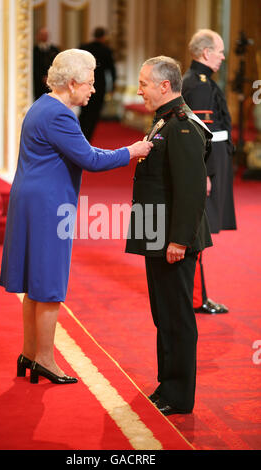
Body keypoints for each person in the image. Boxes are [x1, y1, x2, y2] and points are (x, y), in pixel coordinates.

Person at [0, 49, 152, 385]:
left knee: (33, 284)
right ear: (71, 83)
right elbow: (91, 159)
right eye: (89, 82)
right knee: (50, 284)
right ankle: (44, 359)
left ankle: (29, 353)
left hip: (30, 199)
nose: (93, 89)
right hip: (48, 205)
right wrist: (132, 151)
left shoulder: (42, 105)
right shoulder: (60, 115)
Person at [126, 56, 213, 415]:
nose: (139, 89)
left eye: (144, 82)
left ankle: (179, 394)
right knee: (163, 314)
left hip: (172, 240)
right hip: (156, 234)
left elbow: (191, 190)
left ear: (165, 86)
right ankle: (168, 384)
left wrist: (178, 240)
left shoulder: (181, 125)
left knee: (176, 316)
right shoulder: (164, 120)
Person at [182, 29, 237, 314]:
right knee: (197, 234)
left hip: (211, 164)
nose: (223, 56)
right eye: (220, 51)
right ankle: (195, 298)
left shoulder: (199, 81)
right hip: (208, 166)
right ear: (206, 53)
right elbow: (198, 135)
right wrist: (202, 173)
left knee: (198, 233)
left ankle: (197, 296)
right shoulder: (200, 85)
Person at [79, 27, 116, 141]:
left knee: (84, 113)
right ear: (103, 37)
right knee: (94, 115)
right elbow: (112, 71)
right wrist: (112, 86)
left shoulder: (84, 48)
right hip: (100, 87)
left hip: (84, 84)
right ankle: (87, 139)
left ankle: (79, 137)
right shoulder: (106, 50)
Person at [33, 27, 60, 100]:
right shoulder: (34, 50)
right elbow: (34, 67)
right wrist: (42, 77)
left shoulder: (54, 49)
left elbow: (57, 65)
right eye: (42, 34)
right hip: (39, 84)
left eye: (46, 34)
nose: (44, 36)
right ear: (37, 36)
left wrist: (50, 76)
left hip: (52, 82)